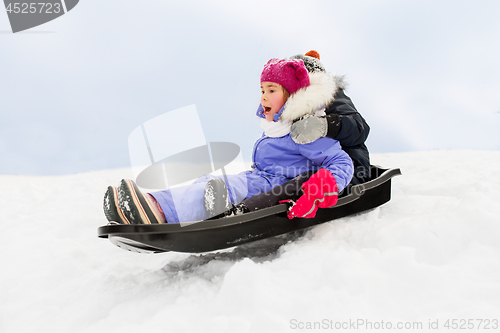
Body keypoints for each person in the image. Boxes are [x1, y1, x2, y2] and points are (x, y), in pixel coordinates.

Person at [103, 58, 354, 225]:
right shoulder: (277, 126)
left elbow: (340, 161)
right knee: (210, 182)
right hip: (261, 179)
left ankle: (157, 212)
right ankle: (149, 203)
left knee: (225, 188)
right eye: (262, 90)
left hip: (278, 188)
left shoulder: (302, 129)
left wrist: (326, 183)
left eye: (272, 90)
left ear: (291, 96)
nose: (264, 96)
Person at [290, 50, 371, 186]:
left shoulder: (332, 96)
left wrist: (326, 125)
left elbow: (359, 128)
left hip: (349, 170)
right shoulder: (293, 106)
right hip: (312, 169)